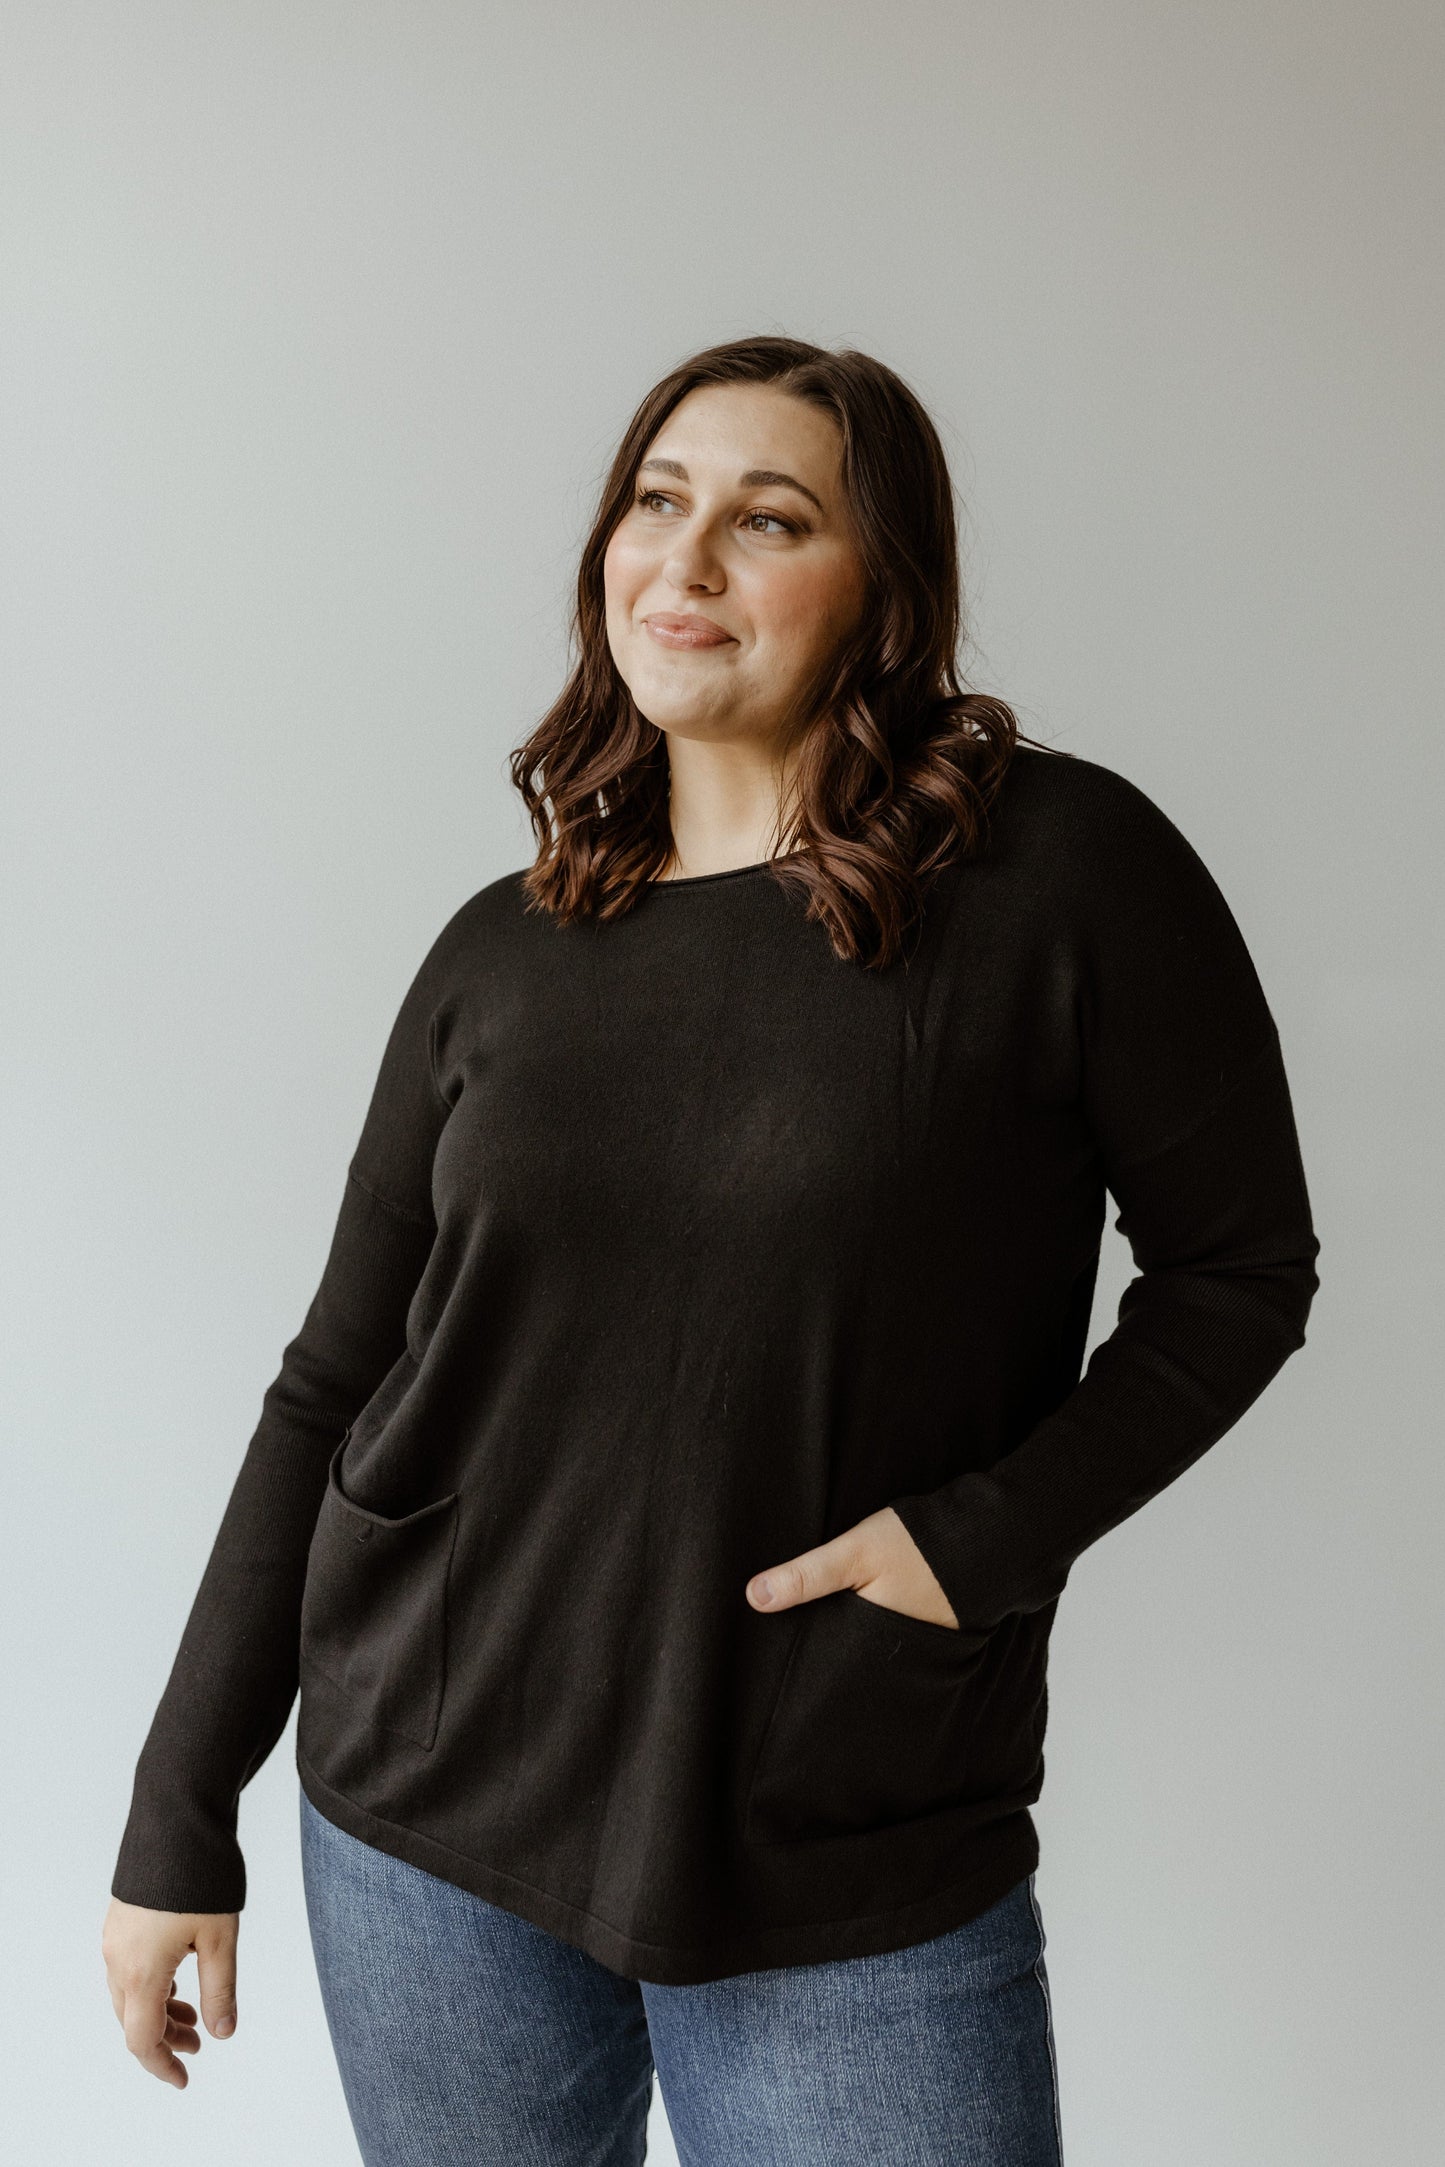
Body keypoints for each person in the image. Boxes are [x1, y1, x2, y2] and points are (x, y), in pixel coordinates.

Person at [102, 335, 1320, 2165]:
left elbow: (1239, 1274)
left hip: (844, 1840)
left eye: (767, 520)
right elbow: (333, 1385)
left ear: (883, 594)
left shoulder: (1061, 875)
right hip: (430, 1828)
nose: (683, 564)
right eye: (654, 504)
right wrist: (176, 1802)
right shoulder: (501, 952)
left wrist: (975, 1541)